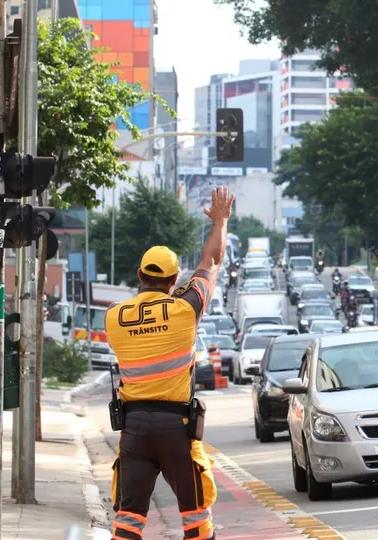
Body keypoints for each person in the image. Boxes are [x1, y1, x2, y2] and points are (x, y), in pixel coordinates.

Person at [105, 186, 235, 540]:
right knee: (195, 516)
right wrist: (220, 221)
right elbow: (211, 261)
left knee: (128, 518)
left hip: (134, 431)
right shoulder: (185, 309)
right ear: (174, 279)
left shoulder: (114, 317)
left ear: (138, 274)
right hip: (175, 428)